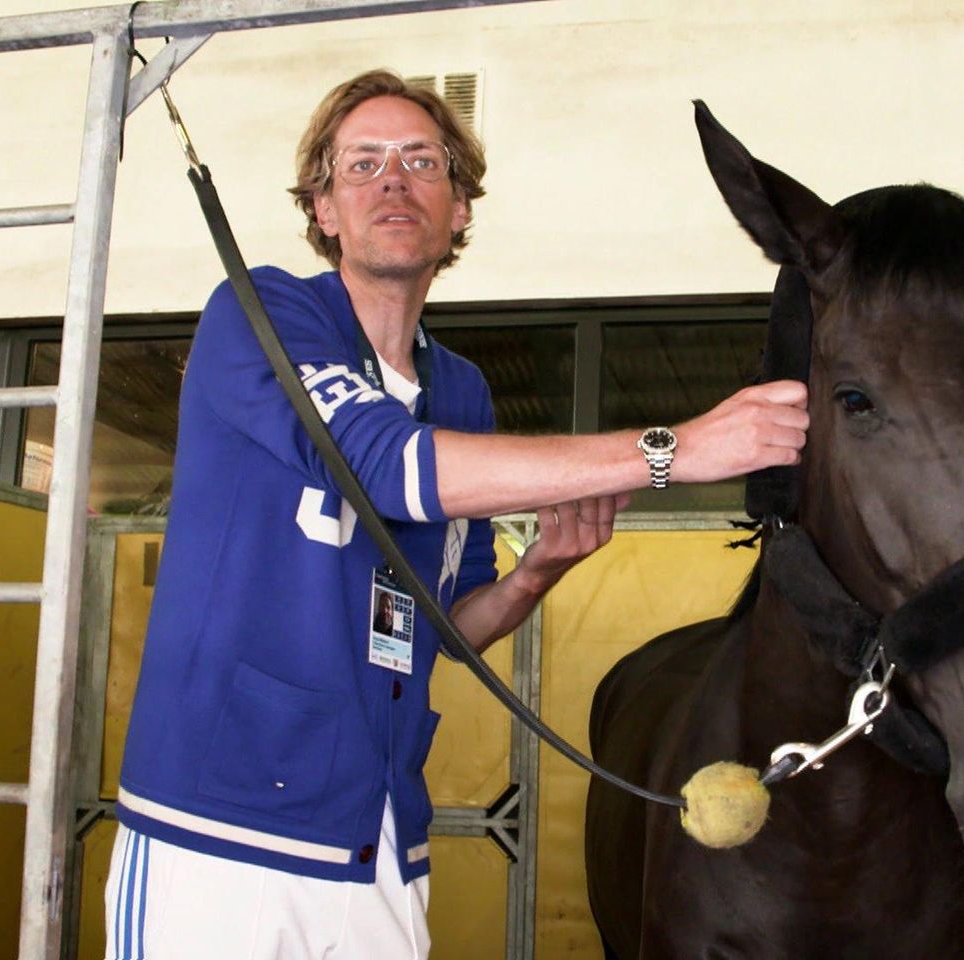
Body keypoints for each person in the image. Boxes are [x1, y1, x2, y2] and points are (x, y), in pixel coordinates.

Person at [105, 69, 809, 960]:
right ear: (323, 210)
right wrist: (678, 450)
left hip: (380, 840)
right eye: (360, 164)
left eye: (421, 160)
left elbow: (448, 630)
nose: (391, 178)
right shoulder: (262, 313)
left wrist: (539, 571)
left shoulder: (462, 391)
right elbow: (383, 465)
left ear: (460, 208)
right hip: (222, 830)